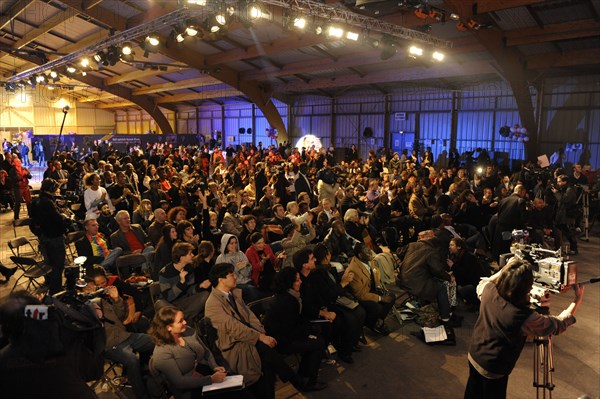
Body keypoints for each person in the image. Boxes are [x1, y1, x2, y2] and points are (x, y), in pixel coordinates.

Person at [464, 257, 584, 399]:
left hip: (474, 354)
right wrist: (577, 299)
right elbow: (557, 324)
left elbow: (485, 282)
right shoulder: (523, 317)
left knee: (472, 393)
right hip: (494, 367)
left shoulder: (489, 290)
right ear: (527, 287)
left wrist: (506, 269)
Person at [204, 263, 310, 399]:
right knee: (266, 352)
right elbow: (234, 328)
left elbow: (250, 316)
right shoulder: (213, 304)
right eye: (232, 275)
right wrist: (260, 337)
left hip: (248, 338)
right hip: (233, 345)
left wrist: (262, 333)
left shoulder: (233, 294)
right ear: (221, 280)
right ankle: (295, 379)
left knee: (267, 361)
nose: (236, 277)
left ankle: (291, 380)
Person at [149, 306, 250, 399]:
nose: (185, 322)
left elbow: (206, 351)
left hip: (205, 374)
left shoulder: (188, 331)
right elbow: (179, 382)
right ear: (168, 328)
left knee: (240, 389)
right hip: (190, 390)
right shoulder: (162, 352)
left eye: (183, 319)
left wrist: (214, 366)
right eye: (180, 321)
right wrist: (210, 379)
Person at [263, 267, 328, 391]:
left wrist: (309, 330)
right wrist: (308, 332)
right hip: (281, 341)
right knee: (318, 343)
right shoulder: (286, 301)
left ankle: (304, 375)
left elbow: (295, 322)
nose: (300, 282)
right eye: (297, 280)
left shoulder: (290, 296)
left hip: (288, 333)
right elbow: (289, 330)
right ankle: (309, 381)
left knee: (318, 337)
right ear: (289, 283)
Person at [100, 284, 155, 399]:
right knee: (132, 360)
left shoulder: (102, 300)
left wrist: (116, 300)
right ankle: (142, 396)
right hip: (110, 344)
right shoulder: (86, 307)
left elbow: (121, 316)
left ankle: (147, 373)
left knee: (155, 340)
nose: (100, 286)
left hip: (125, 336)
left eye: (102, 283)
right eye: (96, 284)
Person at [346, 242, 395, 335]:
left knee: (391, 297)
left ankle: (378, 321)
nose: (371, 253)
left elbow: (375, 275)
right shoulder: (353, 270)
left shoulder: (369, 260)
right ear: (360, 255)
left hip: (371, 290)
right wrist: (380, 298)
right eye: (367, 252)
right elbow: (360, 295)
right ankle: (371, 324)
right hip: (360, 297)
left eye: (369, 250)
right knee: (378, 307)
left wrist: (380, 288)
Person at [29, 179, 68, 294]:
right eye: (55, 188)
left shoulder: (36, 201)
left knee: (49, 263)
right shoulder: (48, 202)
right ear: (51, 189)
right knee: (58, 264)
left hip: (43, 236)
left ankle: (49, 283)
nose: (57, 190)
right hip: (54, 236)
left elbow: (34, 218)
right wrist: (63, 216)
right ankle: (56, 290)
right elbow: (56, 219)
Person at [158, 242, 210, 321]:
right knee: (162, 305)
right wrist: (181, 283)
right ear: (182, 257)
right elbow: (168, 297)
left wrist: (200, 286)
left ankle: (181, 319)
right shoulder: (165, 273)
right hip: (170, 303)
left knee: (205, 295)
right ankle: (184, 319)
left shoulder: (189, 268)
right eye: (190, 254)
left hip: (185, 299)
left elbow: (189, 290)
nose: (193, 255)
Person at [215, 234, 259, 303]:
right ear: (226, 244)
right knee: (251, 290)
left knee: (254, 289)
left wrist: (243, 268)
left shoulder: (241, 254)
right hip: (233, 284)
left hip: (246, 281)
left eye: (235, 243)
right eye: (231, 243)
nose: (234, 245)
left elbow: (247, 274)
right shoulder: (221, 258)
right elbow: (222, 277)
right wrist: (236, 268)